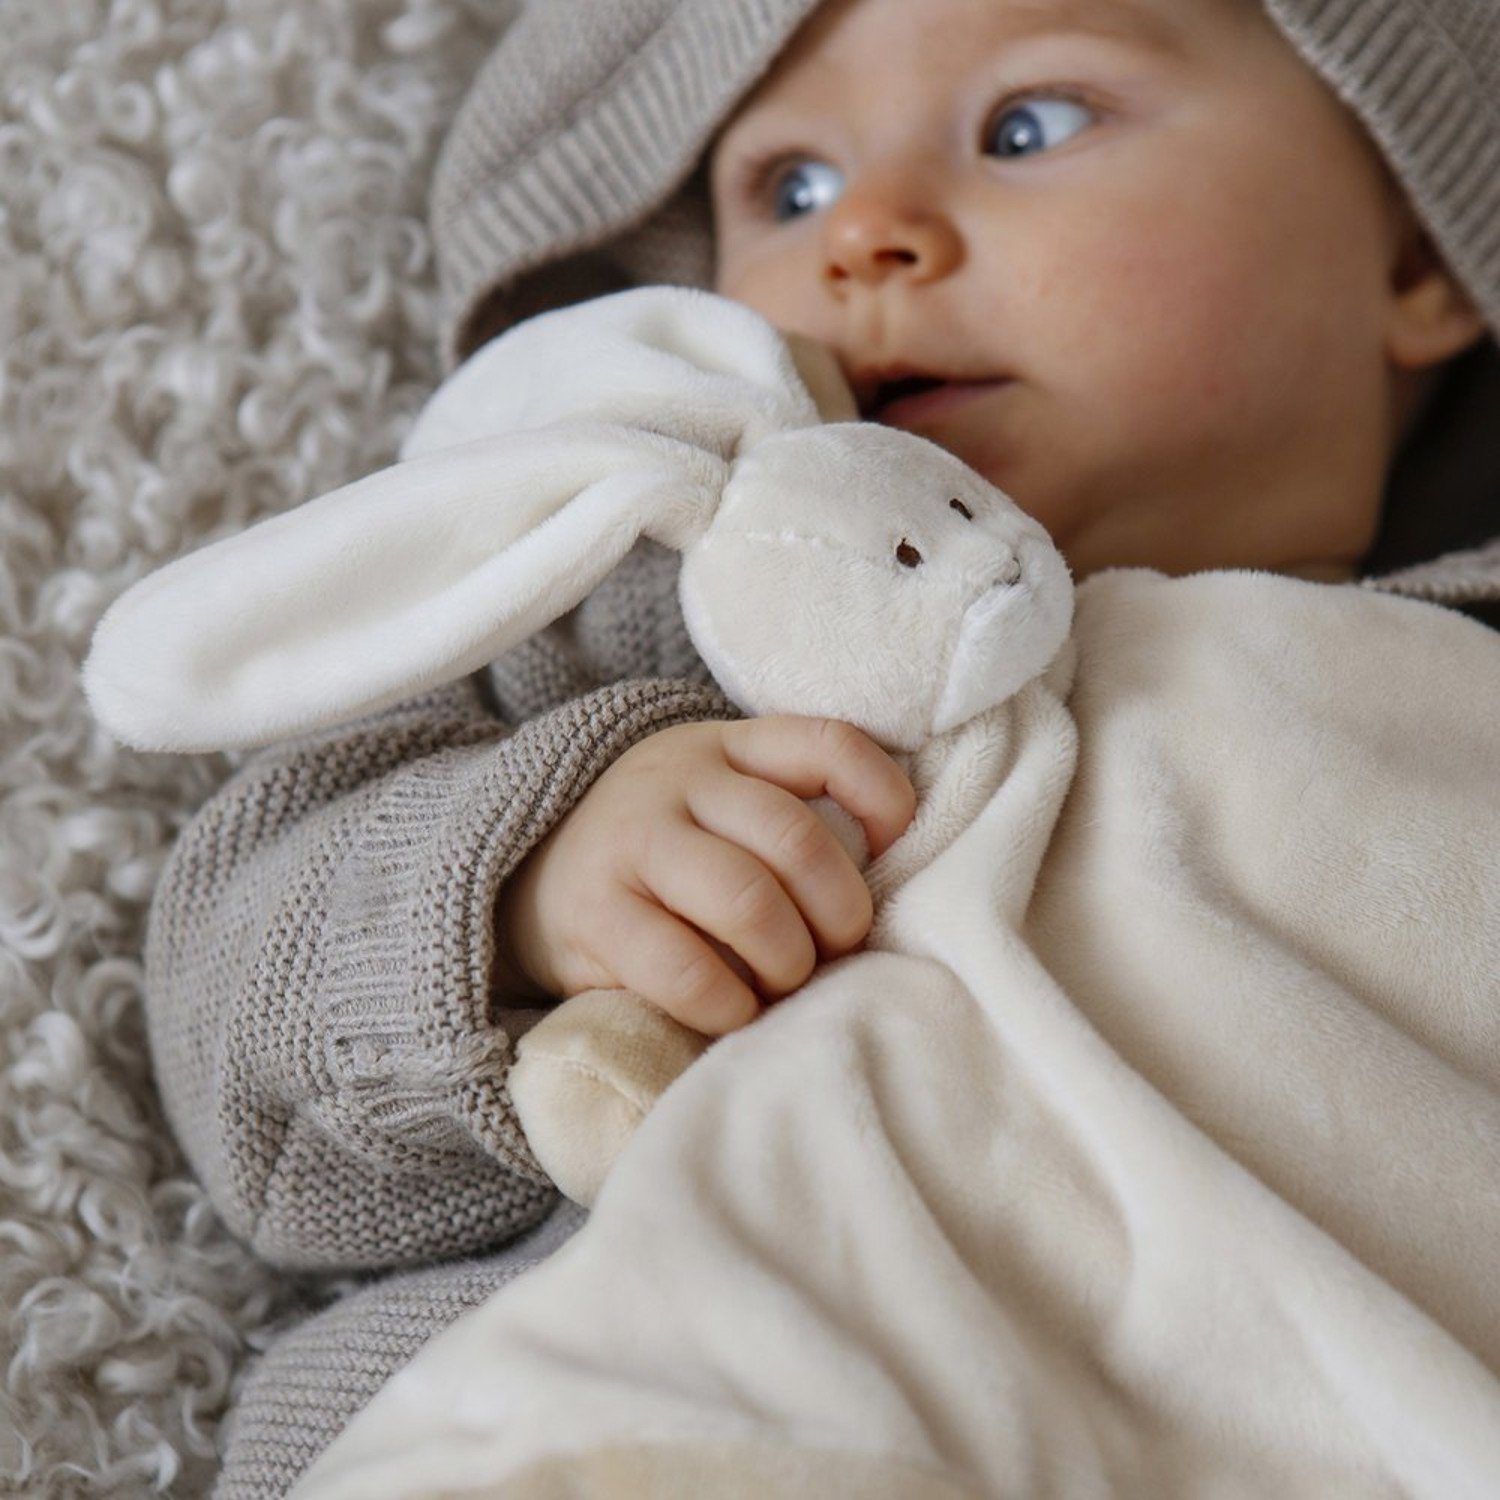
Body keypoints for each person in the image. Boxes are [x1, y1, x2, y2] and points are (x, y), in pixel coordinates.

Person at [149, 0, 1499, 1493]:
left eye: (1028, 126)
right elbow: (242, 1038)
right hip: (663, 1402)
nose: (867, 231)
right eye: (787, 187)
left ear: (1419, 254)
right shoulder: (666, 644)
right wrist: (530, 891)